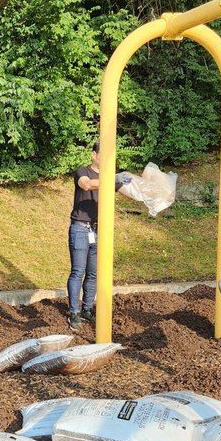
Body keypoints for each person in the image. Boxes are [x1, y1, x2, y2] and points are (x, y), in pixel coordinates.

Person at [67, 142, 132, 332]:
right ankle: (74, 313)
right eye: (103, 155)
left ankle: (87, 309)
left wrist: (148, 190)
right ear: (94, 155)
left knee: (94, 273)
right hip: (80, 228)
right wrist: (113, 178)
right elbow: (86, 185)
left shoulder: (110, 178)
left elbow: (131, 192)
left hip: (97, 230)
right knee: (78, 271)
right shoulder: (83, 171)